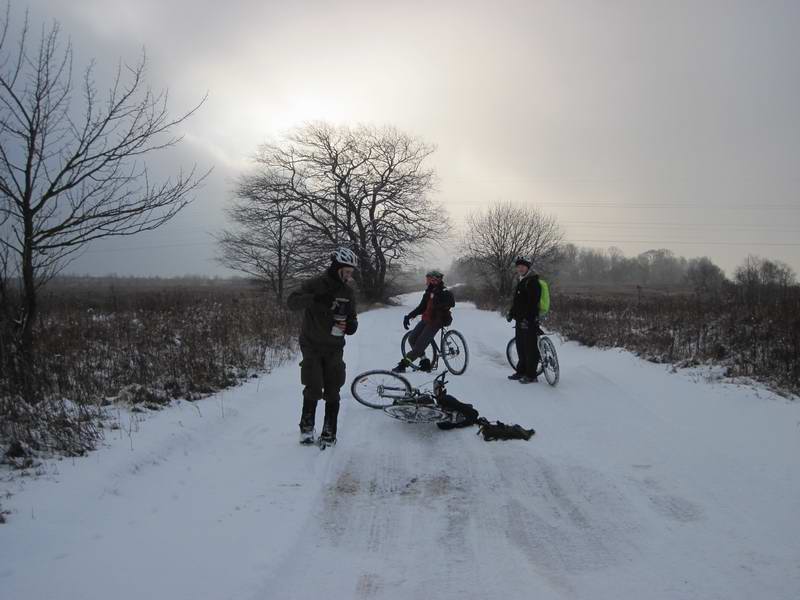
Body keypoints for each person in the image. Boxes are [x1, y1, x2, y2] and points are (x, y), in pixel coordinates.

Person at [287, 247, 359, 446]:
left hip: (335, 346)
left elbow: (352, 318)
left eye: (351, 272)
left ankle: (329, 432)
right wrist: (315, 298)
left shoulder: (348, 291)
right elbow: (291, 302)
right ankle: (307, 429)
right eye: (347, 271)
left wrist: (350, 326)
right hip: (311, 344)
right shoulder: (315, 284)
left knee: (333, 387)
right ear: (337, 267)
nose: (349, 275)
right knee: (314, 385)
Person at [393, 269, 455, 373]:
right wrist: (408, 316)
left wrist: (438, 302)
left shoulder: (444, 292)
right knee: (412, 339)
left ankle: (403, 364)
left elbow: (451, 303)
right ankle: (425, 362)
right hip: (426, 319)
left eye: (429, 279)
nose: (427, 281)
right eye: (427, 279)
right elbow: (421, 308)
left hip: (436, 321)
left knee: (419, 346)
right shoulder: (428, 292)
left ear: (435, 280)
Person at [506, 256, 541, 383]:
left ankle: (531, 375)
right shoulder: (521, 280)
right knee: (520, 346)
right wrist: (511, 313)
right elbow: (518, 302)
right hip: (520, 320)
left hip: (529, 320)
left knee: (530, 348)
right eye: (518, 266)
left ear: (528, 267)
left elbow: (533, 303)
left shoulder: (532, 282)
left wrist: (528, 319)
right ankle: (521, 371)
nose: (520, 268)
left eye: (523, 266)